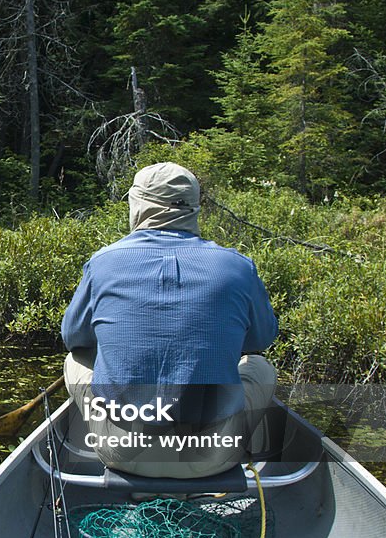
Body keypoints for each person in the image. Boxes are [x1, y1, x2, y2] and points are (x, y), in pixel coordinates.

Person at [61, 162, 278, 479]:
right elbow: (260, 340)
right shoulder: (238, 266)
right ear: (193, 208)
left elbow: (73, 338)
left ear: (138, 204)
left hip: (121, 451)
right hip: (211, 455)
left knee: (75, 359)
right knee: (261, 367)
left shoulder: (102, 262)